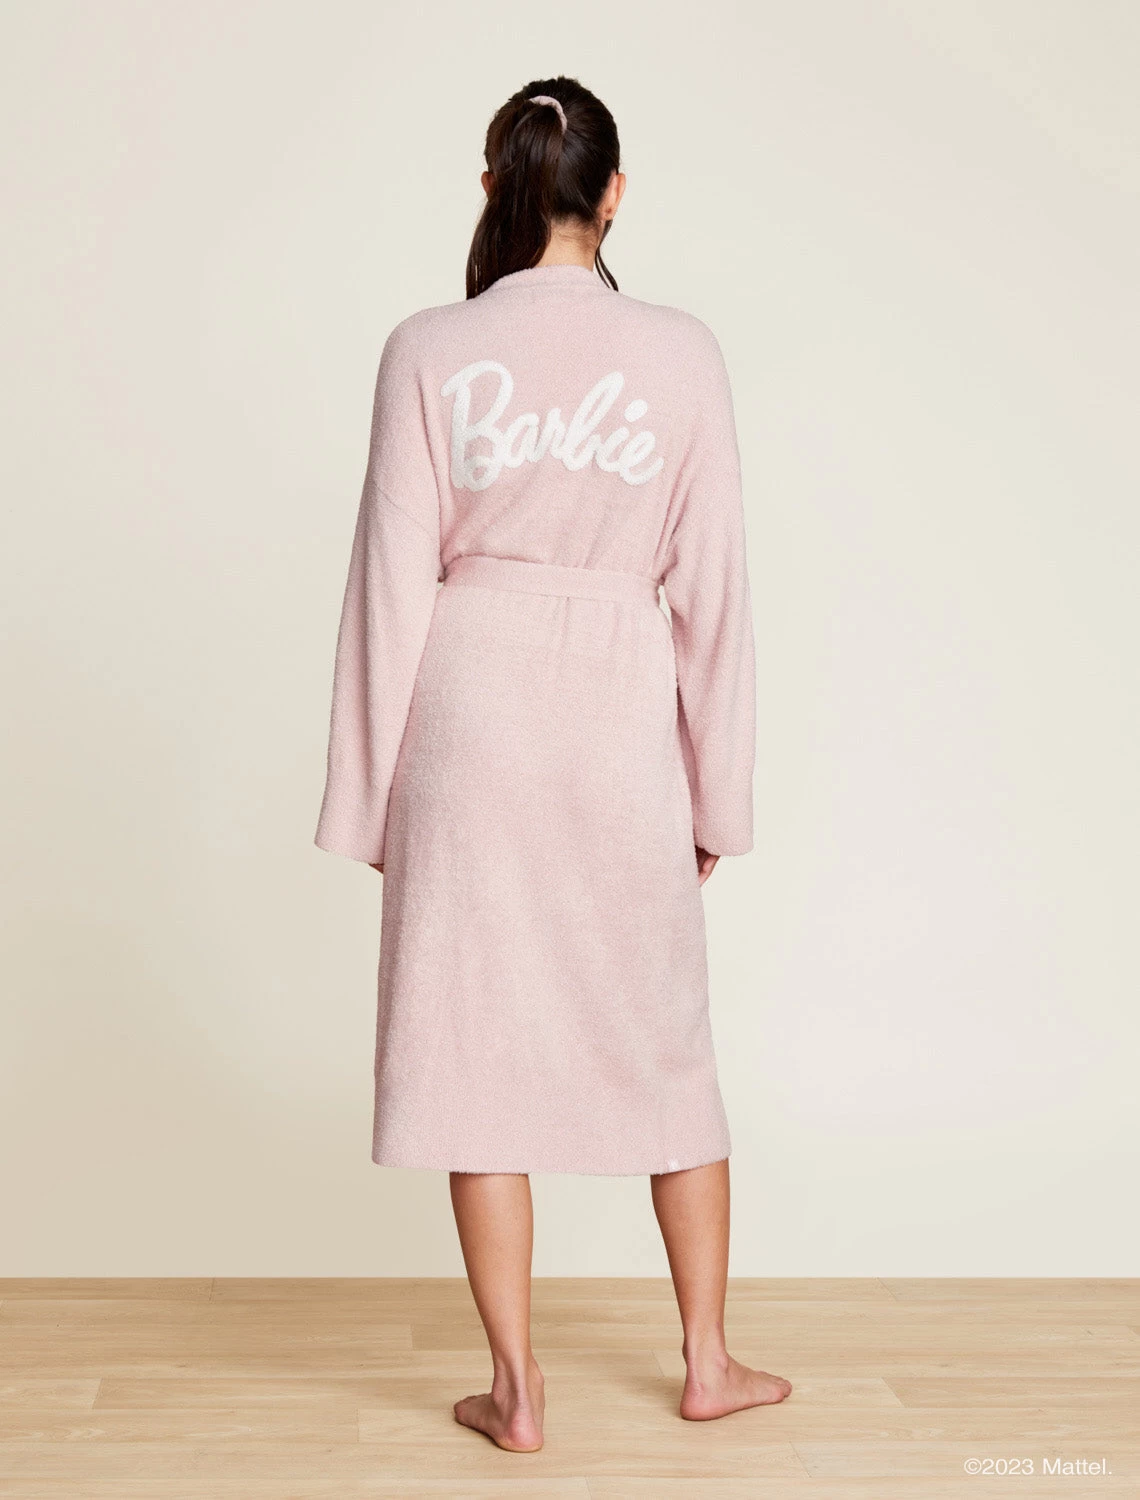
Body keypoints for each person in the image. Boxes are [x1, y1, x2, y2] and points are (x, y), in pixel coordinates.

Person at [314, 74, 791, 1453]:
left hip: (469, 719)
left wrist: (371, 800)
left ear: (493, 188)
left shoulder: (426, 348)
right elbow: (717, 591)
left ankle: (517, 1391)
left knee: (470, 1048)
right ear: (615, 194)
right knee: (665, 1037)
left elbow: (387, 584)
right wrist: (718, 791)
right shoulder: (683, 353)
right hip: (618, 719)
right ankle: (707, 1361)